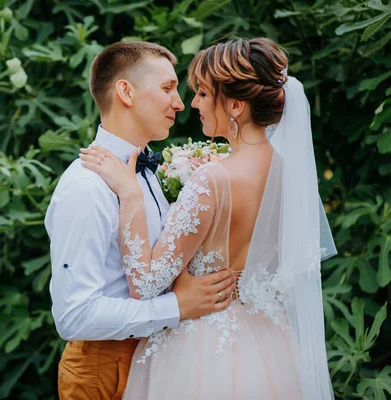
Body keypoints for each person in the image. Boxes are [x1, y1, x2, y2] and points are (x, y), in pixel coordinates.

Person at [80, 37, 337, 399]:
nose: (193, 103)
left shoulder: (213, 179)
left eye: (202, 93)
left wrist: (131, 196)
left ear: (234, 105)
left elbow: (145, 284)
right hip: (269, 347)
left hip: (201, 351)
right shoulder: (290, 174)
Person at [45, 41, 237, 400]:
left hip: (160, 360)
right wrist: (176, 307)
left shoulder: (148, 171)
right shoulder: (86, 188)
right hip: (106, 368)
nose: (180, 103)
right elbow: (74, 315)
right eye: (167, 88)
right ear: (126, 92)